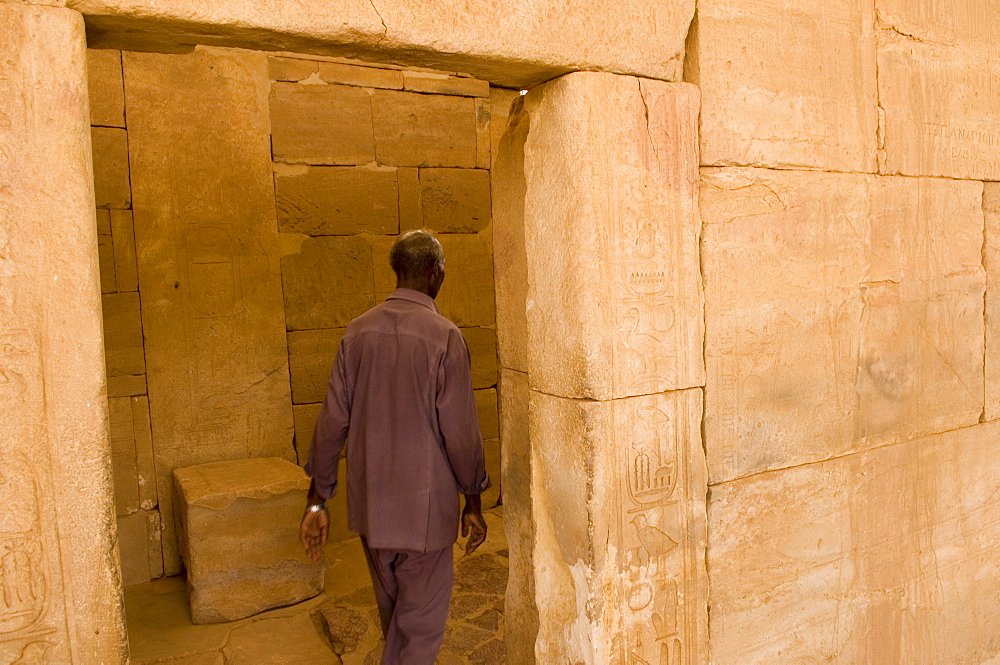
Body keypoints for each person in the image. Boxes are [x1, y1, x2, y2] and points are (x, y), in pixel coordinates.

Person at [300, 229, 490, 665]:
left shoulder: (357, 332)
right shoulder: (445, 337)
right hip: (425, 515)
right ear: (434, 273)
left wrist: (317, 501)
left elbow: (332, 421)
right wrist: (473, 500)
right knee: (419, 633)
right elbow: (460, 430)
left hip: (373, 510)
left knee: (396, 623)